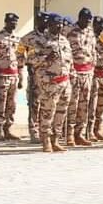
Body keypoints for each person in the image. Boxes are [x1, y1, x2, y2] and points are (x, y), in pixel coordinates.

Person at [33, 14, 73, 153]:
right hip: (49, 83)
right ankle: (46, 140)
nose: (59, 26)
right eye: (56, 24)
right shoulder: (41, 40)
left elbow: (70, 60)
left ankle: (56, 139)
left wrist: (70, 76)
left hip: (65, 82)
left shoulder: (64, 40)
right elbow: (31, 59)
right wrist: (46, 57)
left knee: (61, 112)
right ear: (49, 25)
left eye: (61, 23)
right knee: (47, 112)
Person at [0, 12, 23, 141]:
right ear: (6, 22)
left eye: (16, 23)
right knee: (1, 102)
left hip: (14, 75)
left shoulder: (18, 38)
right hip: (2, 75)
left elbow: (21, 57)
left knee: (12, 104)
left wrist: (21, 75)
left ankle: (8, 128)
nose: (14, 25)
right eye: (11, 22)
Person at [66, 8, 97, 147]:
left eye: (90, 21)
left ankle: (80, 133)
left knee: (84, 105)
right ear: (80, 18)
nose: (88, 23)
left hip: (88, 73)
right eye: (86, 20)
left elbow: (93, 50)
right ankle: (69, 135)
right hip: (74, 73)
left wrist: (93, 66)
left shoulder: (90, 32)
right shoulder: (69, 31)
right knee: (73, 104)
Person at [18, 12, 49, 142]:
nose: (45, 22)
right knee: (34, 103)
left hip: (49, 75)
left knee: (47, 103)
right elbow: (19, 54)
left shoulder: (51, 36)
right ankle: (34, 131)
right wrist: (24, 65)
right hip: (35, 75)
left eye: (47, 20)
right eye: (43, 20)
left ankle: (45, 130)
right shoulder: (27, 38)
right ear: (37, 21)